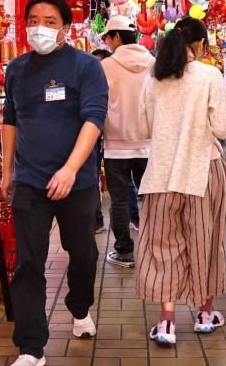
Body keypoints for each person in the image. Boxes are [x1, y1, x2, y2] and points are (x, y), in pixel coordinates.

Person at [1, 0, 109, 366]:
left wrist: (70, 169)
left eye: (49, 20)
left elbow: (94, 119)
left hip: (75, 182)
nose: (40, 27)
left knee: (83, 254)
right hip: (30, 181)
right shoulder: (16, 69)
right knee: (28, 262)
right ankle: (31, 347)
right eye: (33, 19)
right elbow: (10, 120)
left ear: (65, 27)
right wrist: (8, 170)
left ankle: (79, 308)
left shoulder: (85, 67)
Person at [136, 17, 226, 345]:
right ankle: (205, 314)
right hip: (203, 173)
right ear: (201, 45)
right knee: (204, 242)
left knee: (164, 247)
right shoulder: (209, 75)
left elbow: (144, 128)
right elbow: (222, 128)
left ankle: (167, 322)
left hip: (161, 176)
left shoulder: (155, 78)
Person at [100, 15, 155, 268]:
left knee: (119, 201)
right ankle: (155, 248)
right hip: (149, 145)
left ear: (117, 37)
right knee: (152, 199)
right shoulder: (154, 64)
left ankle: (124, 252)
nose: (108, 44)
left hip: (116, 147)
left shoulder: (106, 67)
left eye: (108, 38)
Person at [90, 48, 113, 234]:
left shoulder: (113, 76)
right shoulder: (89, 79)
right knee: (93, 175)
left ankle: (134, 217)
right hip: (94, 134)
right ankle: (96, 220)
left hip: (116, 137)